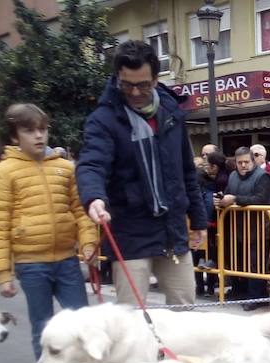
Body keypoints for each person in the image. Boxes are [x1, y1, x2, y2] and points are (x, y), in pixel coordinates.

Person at [77, 40, 207, 307]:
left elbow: (186, 171)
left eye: (143, 84)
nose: (135, 92)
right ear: (117, 78)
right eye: (127, 85)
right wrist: (94, 198)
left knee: (186, 311)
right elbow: (91, 163)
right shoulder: (103, 119)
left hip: (172, 230)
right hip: (130, 231)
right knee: (130, 321)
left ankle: (172, 352)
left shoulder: (172, 112)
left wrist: (199, 220)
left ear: (156, 79)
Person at [0, 103, 97, 359]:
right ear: (15, 136)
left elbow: (81, 210)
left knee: (83, 323)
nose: (38, 136)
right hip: (31, 263)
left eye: (43, 130)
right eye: (29, 130)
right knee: (42, 327)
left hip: (67, 260)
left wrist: (89, 242)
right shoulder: (3, 173)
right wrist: (2, 273)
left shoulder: (65, 167)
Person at [215, 146, 270, 311]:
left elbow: (260, 199)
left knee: (256, 264)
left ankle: (256, 297)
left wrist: (234, 198)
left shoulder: (263, 176)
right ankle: (244, 292)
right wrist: (222, 200)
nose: (243, 165)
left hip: (261, 228)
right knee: (242, 262)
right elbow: (228, 192)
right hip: (240, 228)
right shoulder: (233, 175)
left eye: (246, 162)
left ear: (253, 161)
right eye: (240, 162)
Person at [195, 151, 229, 296]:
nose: (205, 163)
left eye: (206, 157)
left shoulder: (220, 179)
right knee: (200, 256)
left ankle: (207, 287)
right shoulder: (204, 179)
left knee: (208, 255)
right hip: (203, 223)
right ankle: (203, 287)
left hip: (211, 224)